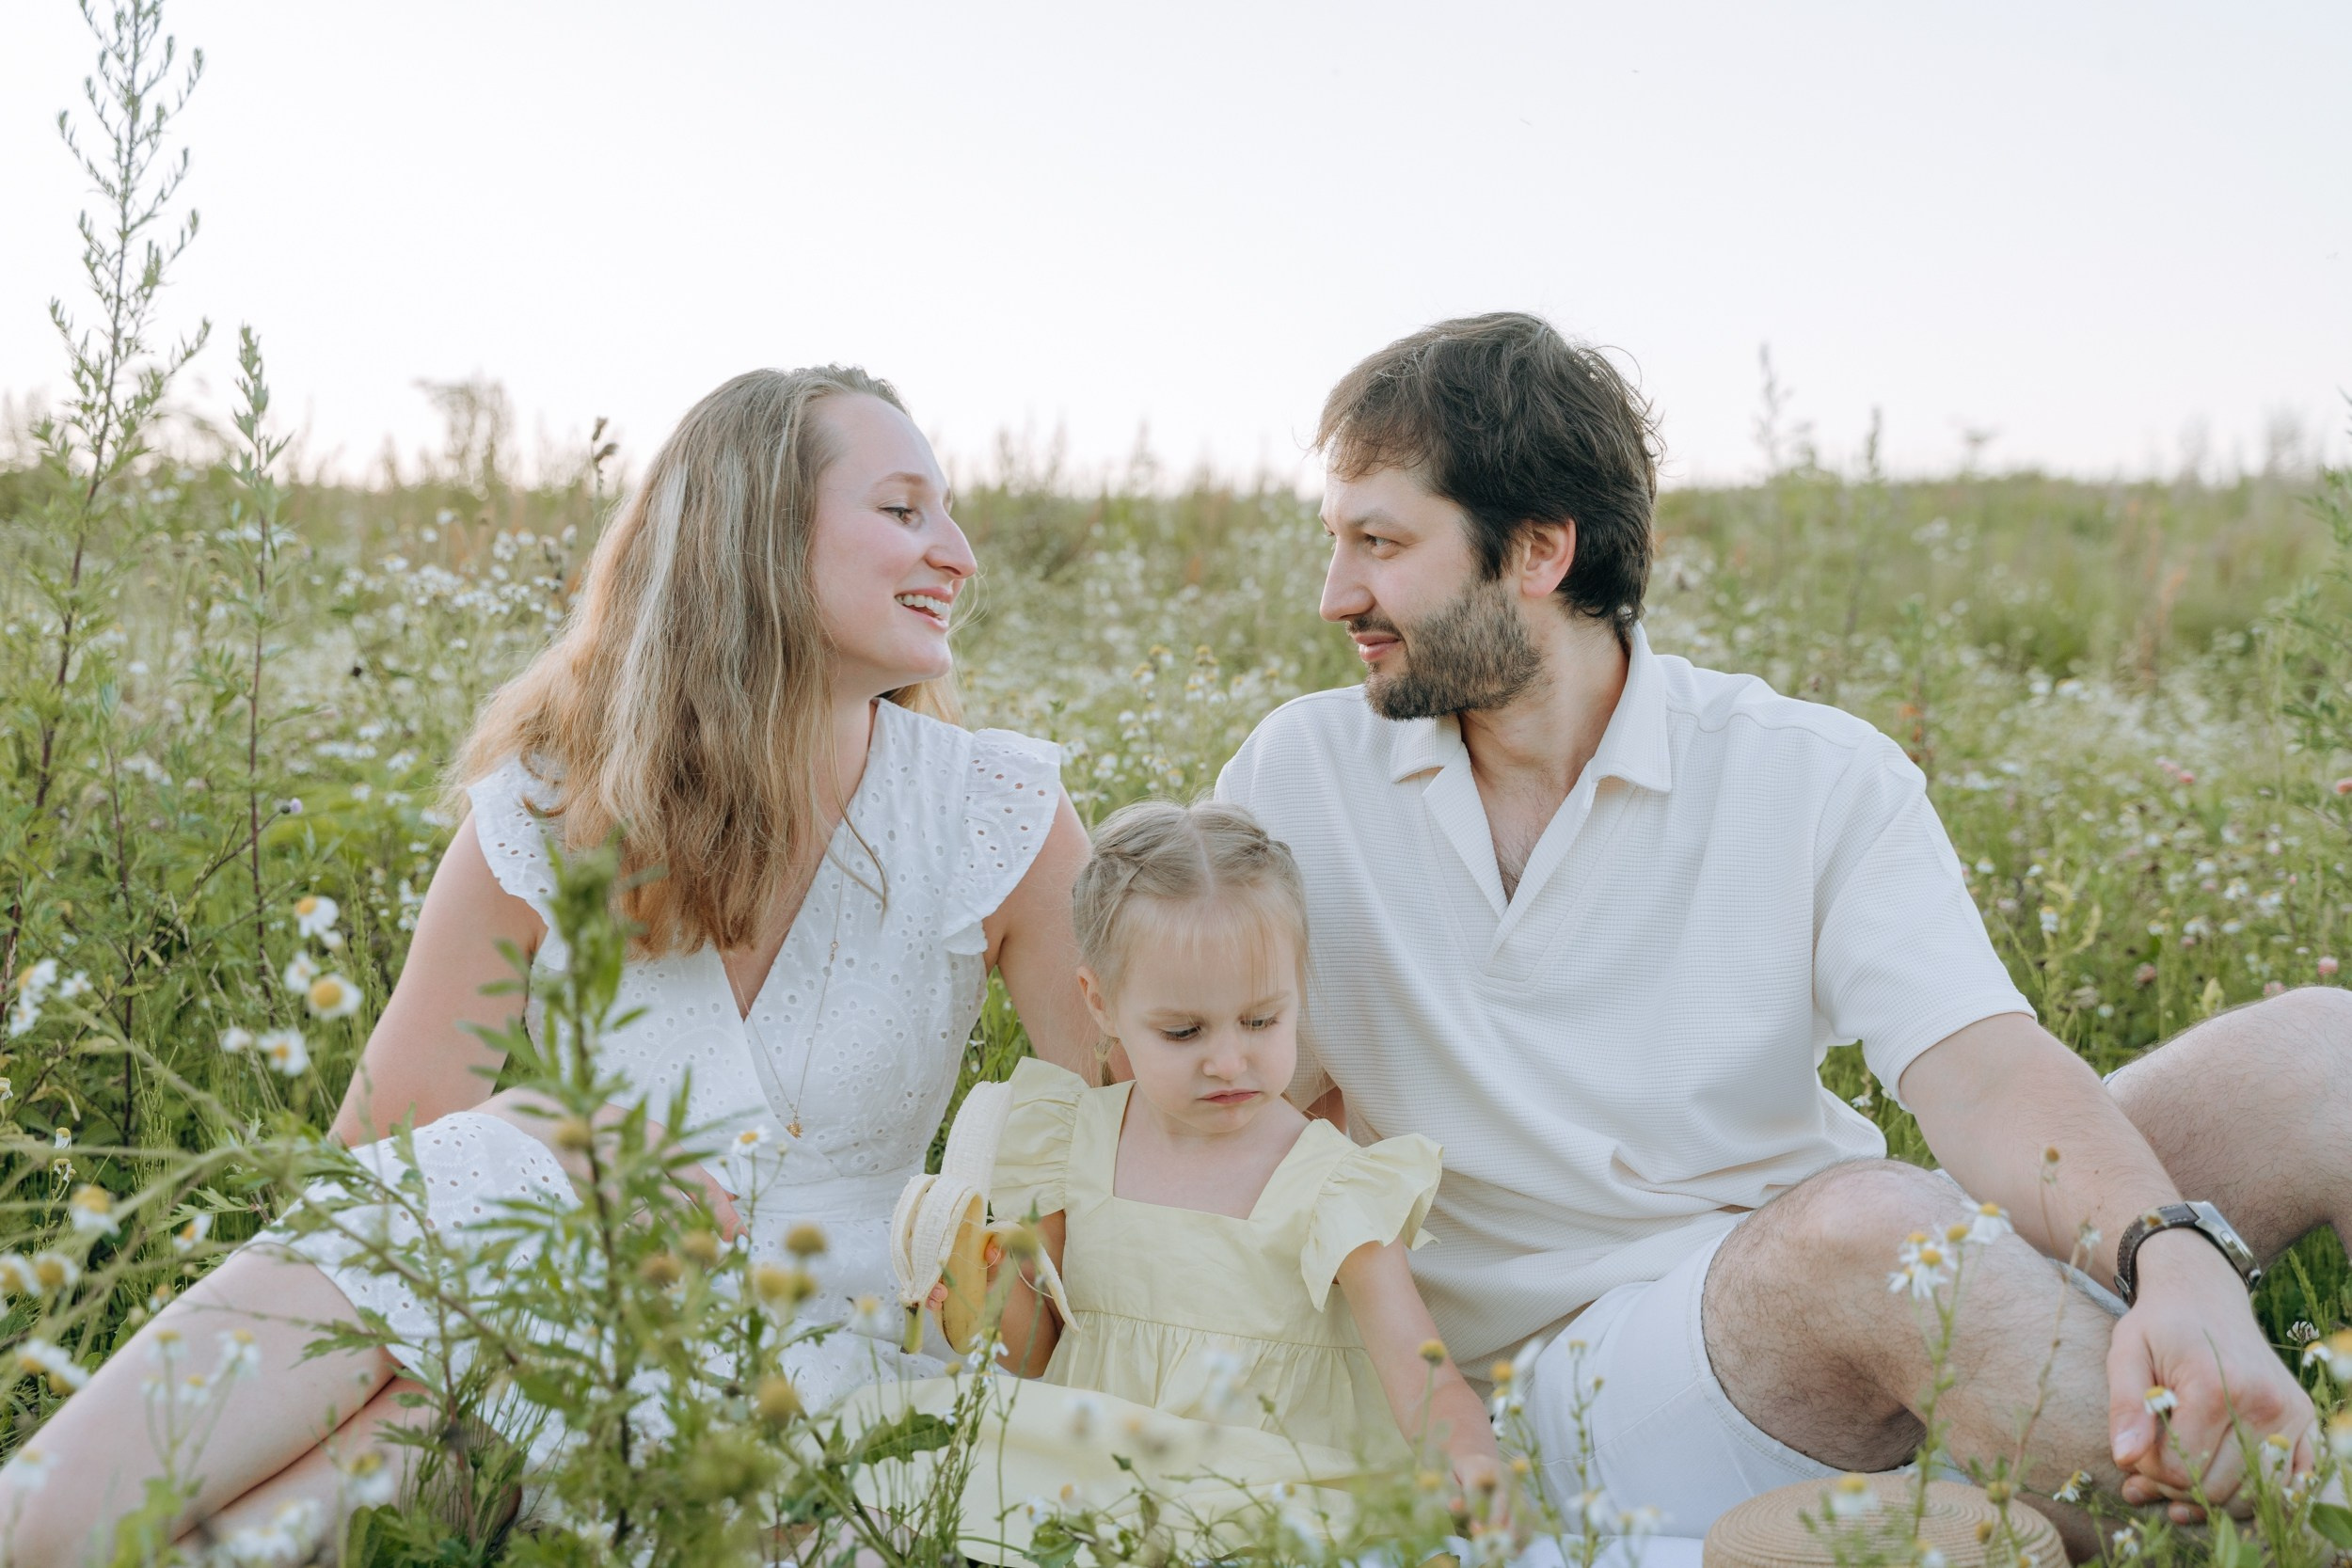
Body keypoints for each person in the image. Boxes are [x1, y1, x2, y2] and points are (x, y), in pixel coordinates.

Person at [1216, 311, 2343, 1548]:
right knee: (1864, 1229)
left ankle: (2026, 1497)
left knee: (2318, 1053)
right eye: (1338, 541)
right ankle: (2298, 1509)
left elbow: (1982, 1072)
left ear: (1538, 549)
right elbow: (1199, 1091)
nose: (1338, 595)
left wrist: (2171, 1255)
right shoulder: (1298, 772)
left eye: (1379, 542)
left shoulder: (1805, 770)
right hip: (1570, 1390)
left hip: (1853, 1312)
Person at [0, 366, 1099, 1557]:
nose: (959, 554)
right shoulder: (553, 796)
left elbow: (1142, 1133)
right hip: (543, 1262)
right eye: (902, 509)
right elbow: (380, 1161)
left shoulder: (997, 810)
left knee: (257, 1535)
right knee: (64, 1520)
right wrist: (548, 1137)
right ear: (754, 533)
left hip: (805, 1367)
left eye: (945, 512)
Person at [866, 800, 1501, 1562]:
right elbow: (1038, 1352)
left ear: (1297, 990)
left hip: (1261, 1489)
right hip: (1095, 1477)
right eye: (1184, 1031)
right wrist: (977, 1299)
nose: (1228, 1060)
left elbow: (1420, 1376)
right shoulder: (1073, 1142)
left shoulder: (1336, 1186)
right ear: (1100, 1002)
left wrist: (1469, 1459)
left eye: (1261, 1021)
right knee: (906, 1450)